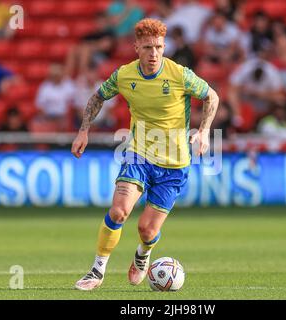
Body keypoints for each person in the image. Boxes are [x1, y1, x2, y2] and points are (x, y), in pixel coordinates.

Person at [71, 18, 219, 290]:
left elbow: (212, 96)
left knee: (147, 230)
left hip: (174, 166)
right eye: (148, 47)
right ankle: (96, 271)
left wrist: (204, 130)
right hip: (138, 155)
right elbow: (97, 97)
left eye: (159, 47)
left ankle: (143, 255)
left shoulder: (179, 74)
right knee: (118, 212)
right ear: (136, 46)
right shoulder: (125, 75)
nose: (154, 53)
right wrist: (84, 131)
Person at [35, 64, 75, 131]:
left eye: (57, 75)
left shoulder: (69, 85)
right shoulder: (45, 87)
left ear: (62, 75)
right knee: (37, 122)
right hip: (49, 116)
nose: (55, 77)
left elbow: (73, 102)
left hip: (64, 116)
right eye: (53, 75)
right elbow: (40, 106)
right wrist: (46, 118)